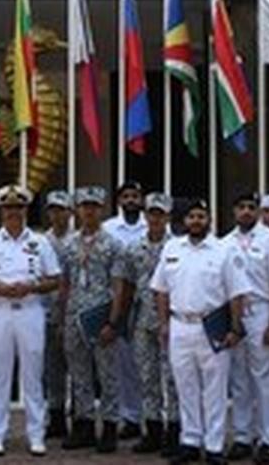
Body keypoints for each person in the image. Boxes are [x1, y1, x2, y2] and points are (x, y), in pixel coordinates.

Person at [151, 199, 251, 464]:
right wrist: (163, 324)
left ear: (209, 220)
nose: (196, 221)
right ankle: (190, 441)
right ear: (184, 221)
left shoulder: (224, 250)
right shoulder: (172, 248)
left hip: (212, 327)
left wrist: (235, 328)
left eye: (201, 216)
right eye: (192, 216)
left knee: (215, 390)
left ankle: (214, 445)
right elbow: (161, 290)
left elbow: (237, 294)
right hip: (179, 325)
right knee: (185, 387)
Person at [0, 184, 62, 457]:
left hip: (31, 310)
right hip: (0, 311)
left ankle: (36, 435)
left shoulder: (40, 242)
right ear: (1, 211)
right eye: (8, 208)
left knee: (33, 375)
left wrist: (31, 286)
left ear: (25, 210)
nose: (13, 212)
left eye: (18, 207)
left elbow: (55, 279)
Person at [224, 192, 269, 463]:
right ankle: (242, 436)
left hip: (262, 311)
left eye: (251, 207)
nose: (246, 212)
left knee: (265, 378)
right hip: (235, 314)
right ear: (234, 211)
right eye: (241, 207)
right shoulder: (225, 242)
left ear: (258, 212)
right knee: (238, 378)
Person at [60, 186, 128, 453]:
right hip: (74, 315)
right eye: (84, 206)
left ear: (101, 209)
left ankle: (110, 426)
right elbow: (65, 283)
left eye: (94, 206)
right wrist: (62, 316)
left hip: (101, 315)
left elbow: (119, 286)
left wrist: (114, 322)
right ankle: (84, 424)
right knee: (79, 373)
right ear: (77, 210)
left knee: (107, 373)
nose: (89, 211)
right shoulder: (68, 244)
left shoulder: (113, 244)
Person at [119, 192, 179, 456]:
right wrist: (122, 319)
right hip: (143, 320)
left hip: (172, 321)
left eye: (160, 214)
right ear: (145, 215)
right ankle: (152, 429)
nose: (155, 218)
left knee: (173, 378)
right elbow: (127, 285)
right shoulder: (133, 249)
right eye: (151, 213)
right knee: (147, 377)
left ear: (168, 217)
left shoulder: (178, 247)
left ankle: (175, 430)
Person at [101, 181, 148, 438]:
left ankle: (154, 416)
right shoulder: (108, 229)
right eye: (126, 196)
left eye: (135, 196)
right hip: (118, 303)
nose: (131, 200)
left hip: (147, 304)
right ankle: (130, 416)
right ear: (119, 201)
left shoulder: (152, 225)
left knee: (148, 363)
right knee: (122, 363)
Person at [41, 190, 72, 440]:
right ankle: (56, 416)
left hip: (74, 314)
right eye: (53, 210)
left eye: (61, 209)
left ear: (70, 212)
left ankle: (82, 417)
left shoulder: (79, 240)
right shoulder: (40, 242)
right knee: (52, 369)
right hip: (48, 313)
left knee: (80, 369)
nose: (57, 214)